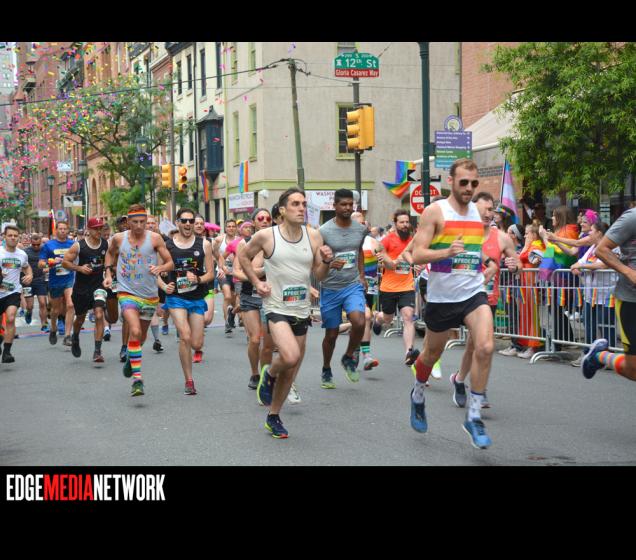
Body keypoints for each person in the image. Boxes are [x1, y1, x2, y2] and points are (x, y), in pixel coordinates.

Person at [410, 158, 498, 449]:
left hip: (472, 292)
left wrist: (492, 262)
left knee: (485, 346)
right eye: (463, 182)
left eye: (473, 183)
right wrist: (446, 252)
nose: (469, 188)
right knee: (431, 353)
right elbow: (417, 255)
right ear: (451, 181)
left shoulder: (478, 213)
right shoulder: (435, 212)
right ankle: (418, 393)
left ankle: (474, 416)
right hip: (442, 297)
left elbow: (474, 248)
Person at [238, 187, 333, 439]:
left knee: (290, 370)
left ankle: (274, 416)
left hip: (301, 308)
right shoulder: (267, 236)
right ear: (282, 209)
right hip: (276, 306)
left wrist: (326, 261)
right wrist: (257, 283)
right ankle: (269, 373)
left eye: (303, 204)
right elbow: (243, 256)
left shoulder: (313, 236)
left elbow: (319, 274)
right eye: (295, 204)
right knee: (290, 356)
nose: (301, 208)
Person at [450, 191, 521, 408]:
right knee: (472, 345)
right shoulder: (460, 234)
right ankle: (462, 380)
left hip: (487, 299)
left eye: (491, 210)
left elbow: (518, 263)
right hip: (460, 297)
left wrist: (514, 266)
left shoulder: (501, 237)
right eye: (485, 209)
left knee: (479, 344)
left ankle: (472, 387)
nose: (489, 214)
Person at [103, 205, 174, 397]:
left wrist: (160, 268)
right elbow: (109, 253)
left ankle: (130, 360)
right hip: (126, 293)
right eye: (135, 222)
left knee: (140, 338)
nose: (140, 225)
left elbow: (170, 262)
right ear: (128, 222)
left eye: (143, 221)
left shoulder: (155, 238)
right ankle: (137, 379)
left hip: (149, 295)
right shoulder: (119, 238)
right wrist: (108, 274)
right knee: (134, 330)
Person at [158, 207, 214, 395]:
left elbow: (210, 274)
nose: (188, 224)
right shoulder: (167, 246)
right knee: (185, 336)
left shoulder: (204, 244)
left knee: (196, 343)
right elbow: (157, 271)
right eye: (184, 221)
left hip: (196, 297)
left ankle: (193, 348)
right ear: (178, 223)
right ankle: (189, 380)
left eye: (191, 221)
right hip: (176, 298)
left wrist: (198, 279)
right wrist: (164, 286)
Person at [318, 190, 369, 389]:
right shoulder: (324, 231)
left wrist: (362, 275)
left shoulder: (360, 229)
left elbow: (359, 252)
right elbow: (317, 260)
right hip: (330, 287)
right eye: (343, 204)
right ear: (335, 206)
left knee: (359, 321)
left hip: (352, 284)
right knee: (331, 335)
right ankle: (326, 368)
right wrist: (329, 263)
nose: (348, 208)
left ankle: (348, 356)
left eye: (350, 204)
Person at [582, 206, 636, 382]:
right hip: (631, 300)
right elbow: (601, 249)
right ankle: (599, 356)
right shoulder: (632, 218)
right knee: (633, 370)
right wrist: (628, 272)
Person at [232, 208, 276, 392]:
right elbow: (236, 272)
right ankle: (254, 373)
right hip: (250, 296)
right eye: (261, 218)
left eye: (268, 218)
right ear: (254, 222)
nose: (265, 221)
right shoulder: (245, 243)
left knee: (268, 344)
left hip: (271, 297)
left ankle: (265, 376)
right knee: (255, 339)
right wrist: (259, 273)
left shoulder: (277, 241)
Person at [372, 209, 419, 366]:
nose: (405, 225)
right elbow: (379, 252)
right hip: (389, 287)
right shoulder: (388, 240)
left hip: (407, 285)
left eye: (407, 222)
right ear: (396, 224)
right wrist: (388, 260)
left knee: (408, 317)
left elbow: (416, 256)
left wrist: (418, 264)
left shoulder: (412, 240)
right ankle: (378, 318)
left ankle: (409, 353)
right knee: (387, 318)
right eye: (402, 222)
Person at [570, 221, 618, 367]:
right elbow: (578, 263)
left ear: (599, 233)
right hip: (590, 295)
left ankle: (609, 357)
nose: (589, 233)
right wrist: (577, 267)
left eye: (591, 230)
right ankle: (588, 354)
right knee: (589, 325)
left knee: (606, 326)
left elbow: (603, 264)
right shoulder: (592, 248)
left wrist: (582, 266)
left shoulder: (613, 247)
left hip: (606, 294)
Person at [62, 217, 109, 362]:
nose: (99, 231)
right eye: (96, 229)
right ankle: (75, 336)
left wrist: (108, 275)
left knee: (99, 315)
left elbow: (109, 263)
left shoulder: (105, 244)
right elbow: (65, 263)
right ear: (89, 229)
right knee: (80, 318)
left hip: (98, 286)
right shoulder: (79, 246)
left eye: (101, 228)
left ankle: (97, 351)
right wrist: (79, 268)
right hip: (81, 288)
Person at [38, 221, 76, 347]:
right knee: (56, 310)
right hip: (55, 281)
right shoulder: (48, 245)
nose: (63, 231)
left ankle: (67, 336)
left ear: (68, 230)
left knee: (70, 305)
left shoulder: (73, 244)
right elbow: (40, 264)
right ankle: (53, 328)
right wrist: (51, 262)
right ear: (56, 230)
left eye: (65, 229)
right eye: (60, 229)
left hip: (69, 279)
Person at [0, 225, 33, 363]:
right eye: (10, 235)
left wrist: (30, 275)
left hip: (13, 292)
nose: (13, 238)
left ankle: (7, 352)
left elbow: (26, 266)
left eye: (15, 235)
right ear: (4, 237)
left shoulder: (22, 254)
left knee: (11, 318)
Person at [352, 211, 380, 372]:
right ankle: (366, 355)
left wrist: (384, 260)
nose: (362, 226)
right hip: (353, 287)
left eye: (363, 223)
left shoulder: (373, 242)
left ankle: (356, 347)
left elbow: (385, 258)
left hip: (371, 286)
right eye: (359, 223)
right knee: (366, 316)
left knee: (364, 321)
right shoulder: (346, 243)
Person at [214, 219, 239, 335]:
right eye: (229, 226)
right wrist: (221, 267)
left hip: (236, 273)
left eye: (233, 226)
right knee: (227, 296)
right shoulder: (219, 240)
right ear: (225, 228)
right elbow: (215, 255)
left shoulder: (240, 240)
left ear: (236, 228)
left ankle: (232, 314)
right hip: (222, 273)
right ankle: (227, 324)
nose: (231, 228)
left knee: (235, 302)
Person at [145, 215, 166, 353]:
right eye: (148, 223)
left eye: (153, 223)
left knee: (156, 311)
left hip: (154, 279)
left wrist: (162, 268)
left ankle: (157, 339)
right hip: (137, 282)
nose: (150, 225)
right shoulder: (137, 239)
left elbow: (164, 259)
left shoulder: (159, 239)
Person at [23, 233, 49, 332]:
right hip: (28, 281)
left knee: (43, 303)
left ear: (41, 242)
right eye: (34, 245)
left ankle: (44, 324)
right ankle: (28, 312)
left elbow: (49, 262)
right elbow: (22, 266)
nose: (36, 246)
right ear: (31, 242)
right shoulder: (25, 252)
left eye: (38, 244)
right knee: (30, 306)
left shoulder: (45, 251)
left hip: (40, 280)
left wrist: (47, 267)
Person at [101, 222, 118, 343]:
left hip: (113, 278)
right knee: (101, 303)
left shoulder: (113, 244)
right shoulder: (97, 245)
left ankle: (110, 320)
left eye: (108, 235)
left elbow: (117, 261)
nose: (106, 237)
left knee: (111, 304)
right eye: (104, 235)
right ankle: (106, 329)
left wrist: (113, 268)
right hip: (99, 278)